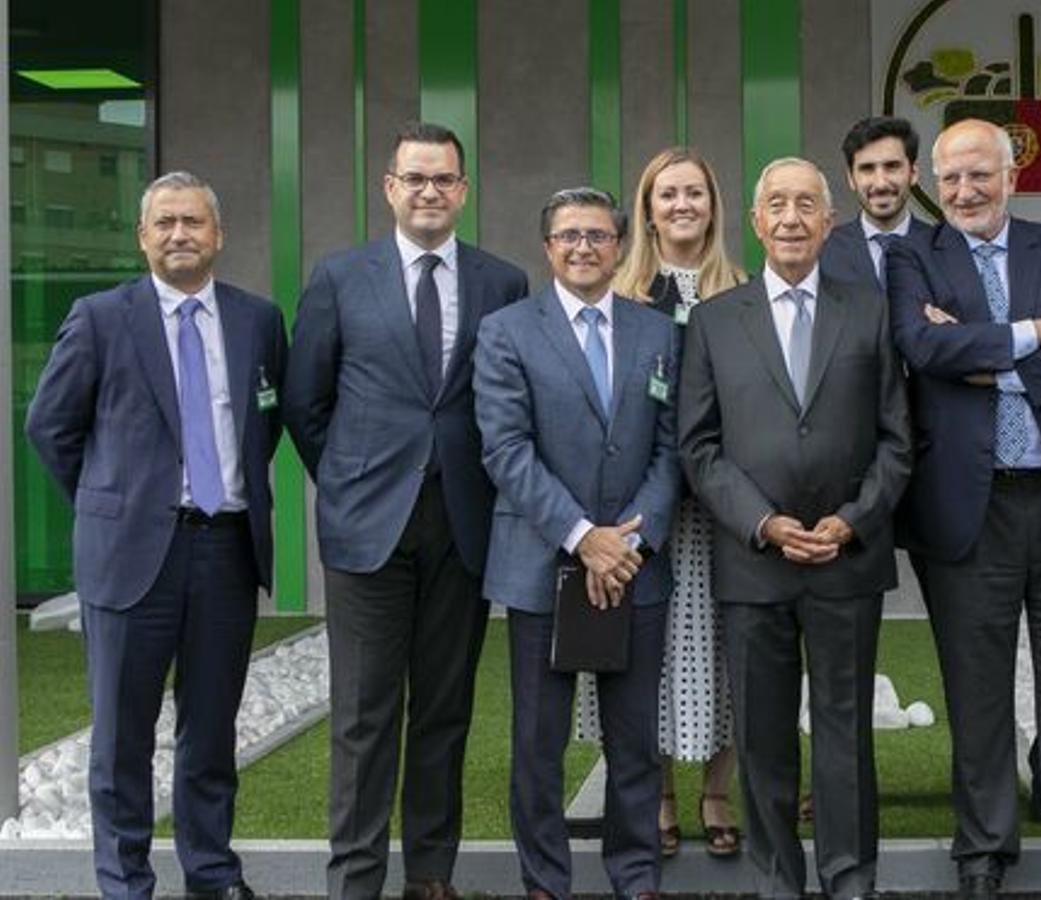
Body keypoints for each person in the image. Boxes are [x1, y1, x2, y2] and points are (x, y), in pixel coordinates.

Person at [282, 121, 529, 900]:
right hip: (366, 531)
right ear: (389, 187)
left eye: (443, 180)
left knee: (445, 709)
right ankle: (354, 879)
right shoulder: (339, 277)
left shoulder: (502, 283)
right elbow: (303, 401)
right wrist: (354, 481)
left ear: (463, 191)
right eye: (414, 178)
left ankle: (429, 873)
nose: (429, 192)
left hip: (461, 524)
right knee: (363, 716)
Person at [26, 171, 287, 900]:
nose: (180, 234)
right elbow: (51, 426)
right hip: (129, 555)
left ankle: (211, 873)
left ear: (218, 235)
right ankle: (125, 882)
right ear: (143, 237)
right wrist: (112, 501)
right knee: (121, 738)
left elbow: (257, 429)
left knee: (211, 731)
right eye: (166, 222)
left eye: (194, 222)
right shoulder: (101, 317)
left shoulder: (258, 320)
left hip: (225, 550)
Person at [884, 118, 1041, 900]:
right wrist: (1032, 335)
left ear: (1011, 175)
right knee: (975, 689)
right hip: (966, 510)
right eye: (949, 179)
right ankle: (983, 851)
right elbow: (923, 351)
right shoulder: (915, 254)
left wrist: (987, 358)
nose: (963, 192)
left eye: (978, 175)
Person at [678, 156, 911, 900]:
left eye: (805, 204)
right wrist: (765, 523)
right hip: (755, 562)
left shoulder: (868, 311)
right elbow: (698, 445)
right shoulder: (716, 320)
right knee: (764, 737)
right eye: (775, 204)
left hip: (847, 559)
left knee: (843, 734)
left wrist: (851, 521)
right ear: (753, 222)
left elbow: (898, 440)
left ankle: (850, 879)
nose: (790, 218)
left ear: (828, 221)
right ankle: (778, 880)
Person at [475, 187, 680, 900]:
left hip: (636, 567)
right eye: (569, 236)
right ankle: (545, 882)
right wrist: (582, 537)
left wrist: (628, 544)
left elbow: (672, 450)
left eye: (598, 235)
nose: (584, 247)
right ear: (548, 247)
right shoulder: (506, 331)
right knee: (539, 742)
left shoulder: (659, 333)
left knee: (634, 742)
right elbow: (505, 450)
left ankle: (635, 876)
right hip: (541, 565)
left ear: (620, 245)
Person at [610, 146, 746, 858]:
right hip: (650, 508)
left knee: (726, 650)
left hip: (725, 509)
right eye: (668, 194)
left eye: (695, 192)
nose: (683, 205)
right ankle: (659, 793)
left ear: (713, 205)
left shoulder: (743, 289)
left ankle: (717, 792)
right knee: (653, 652)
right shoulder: (623, 293)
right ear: (648, 207)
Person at [820, 115, 933, 290]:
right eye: (867, 169)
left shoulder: (942, 250)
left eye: (892, 166)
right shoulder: (823, 251)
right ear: (851, 179)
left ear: (913, 174)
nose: (880, 183)